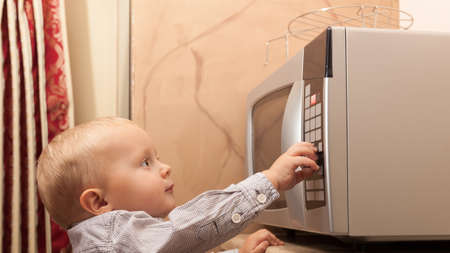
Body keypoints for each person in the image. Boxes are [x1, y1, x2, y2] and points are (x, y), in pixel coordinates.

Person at [36, 117, 319, 253]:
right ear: (99, 203)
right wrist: (269, 179)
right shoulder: (114, 238)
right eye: (146, 163)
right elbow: (185, 228)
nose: (165, 167)